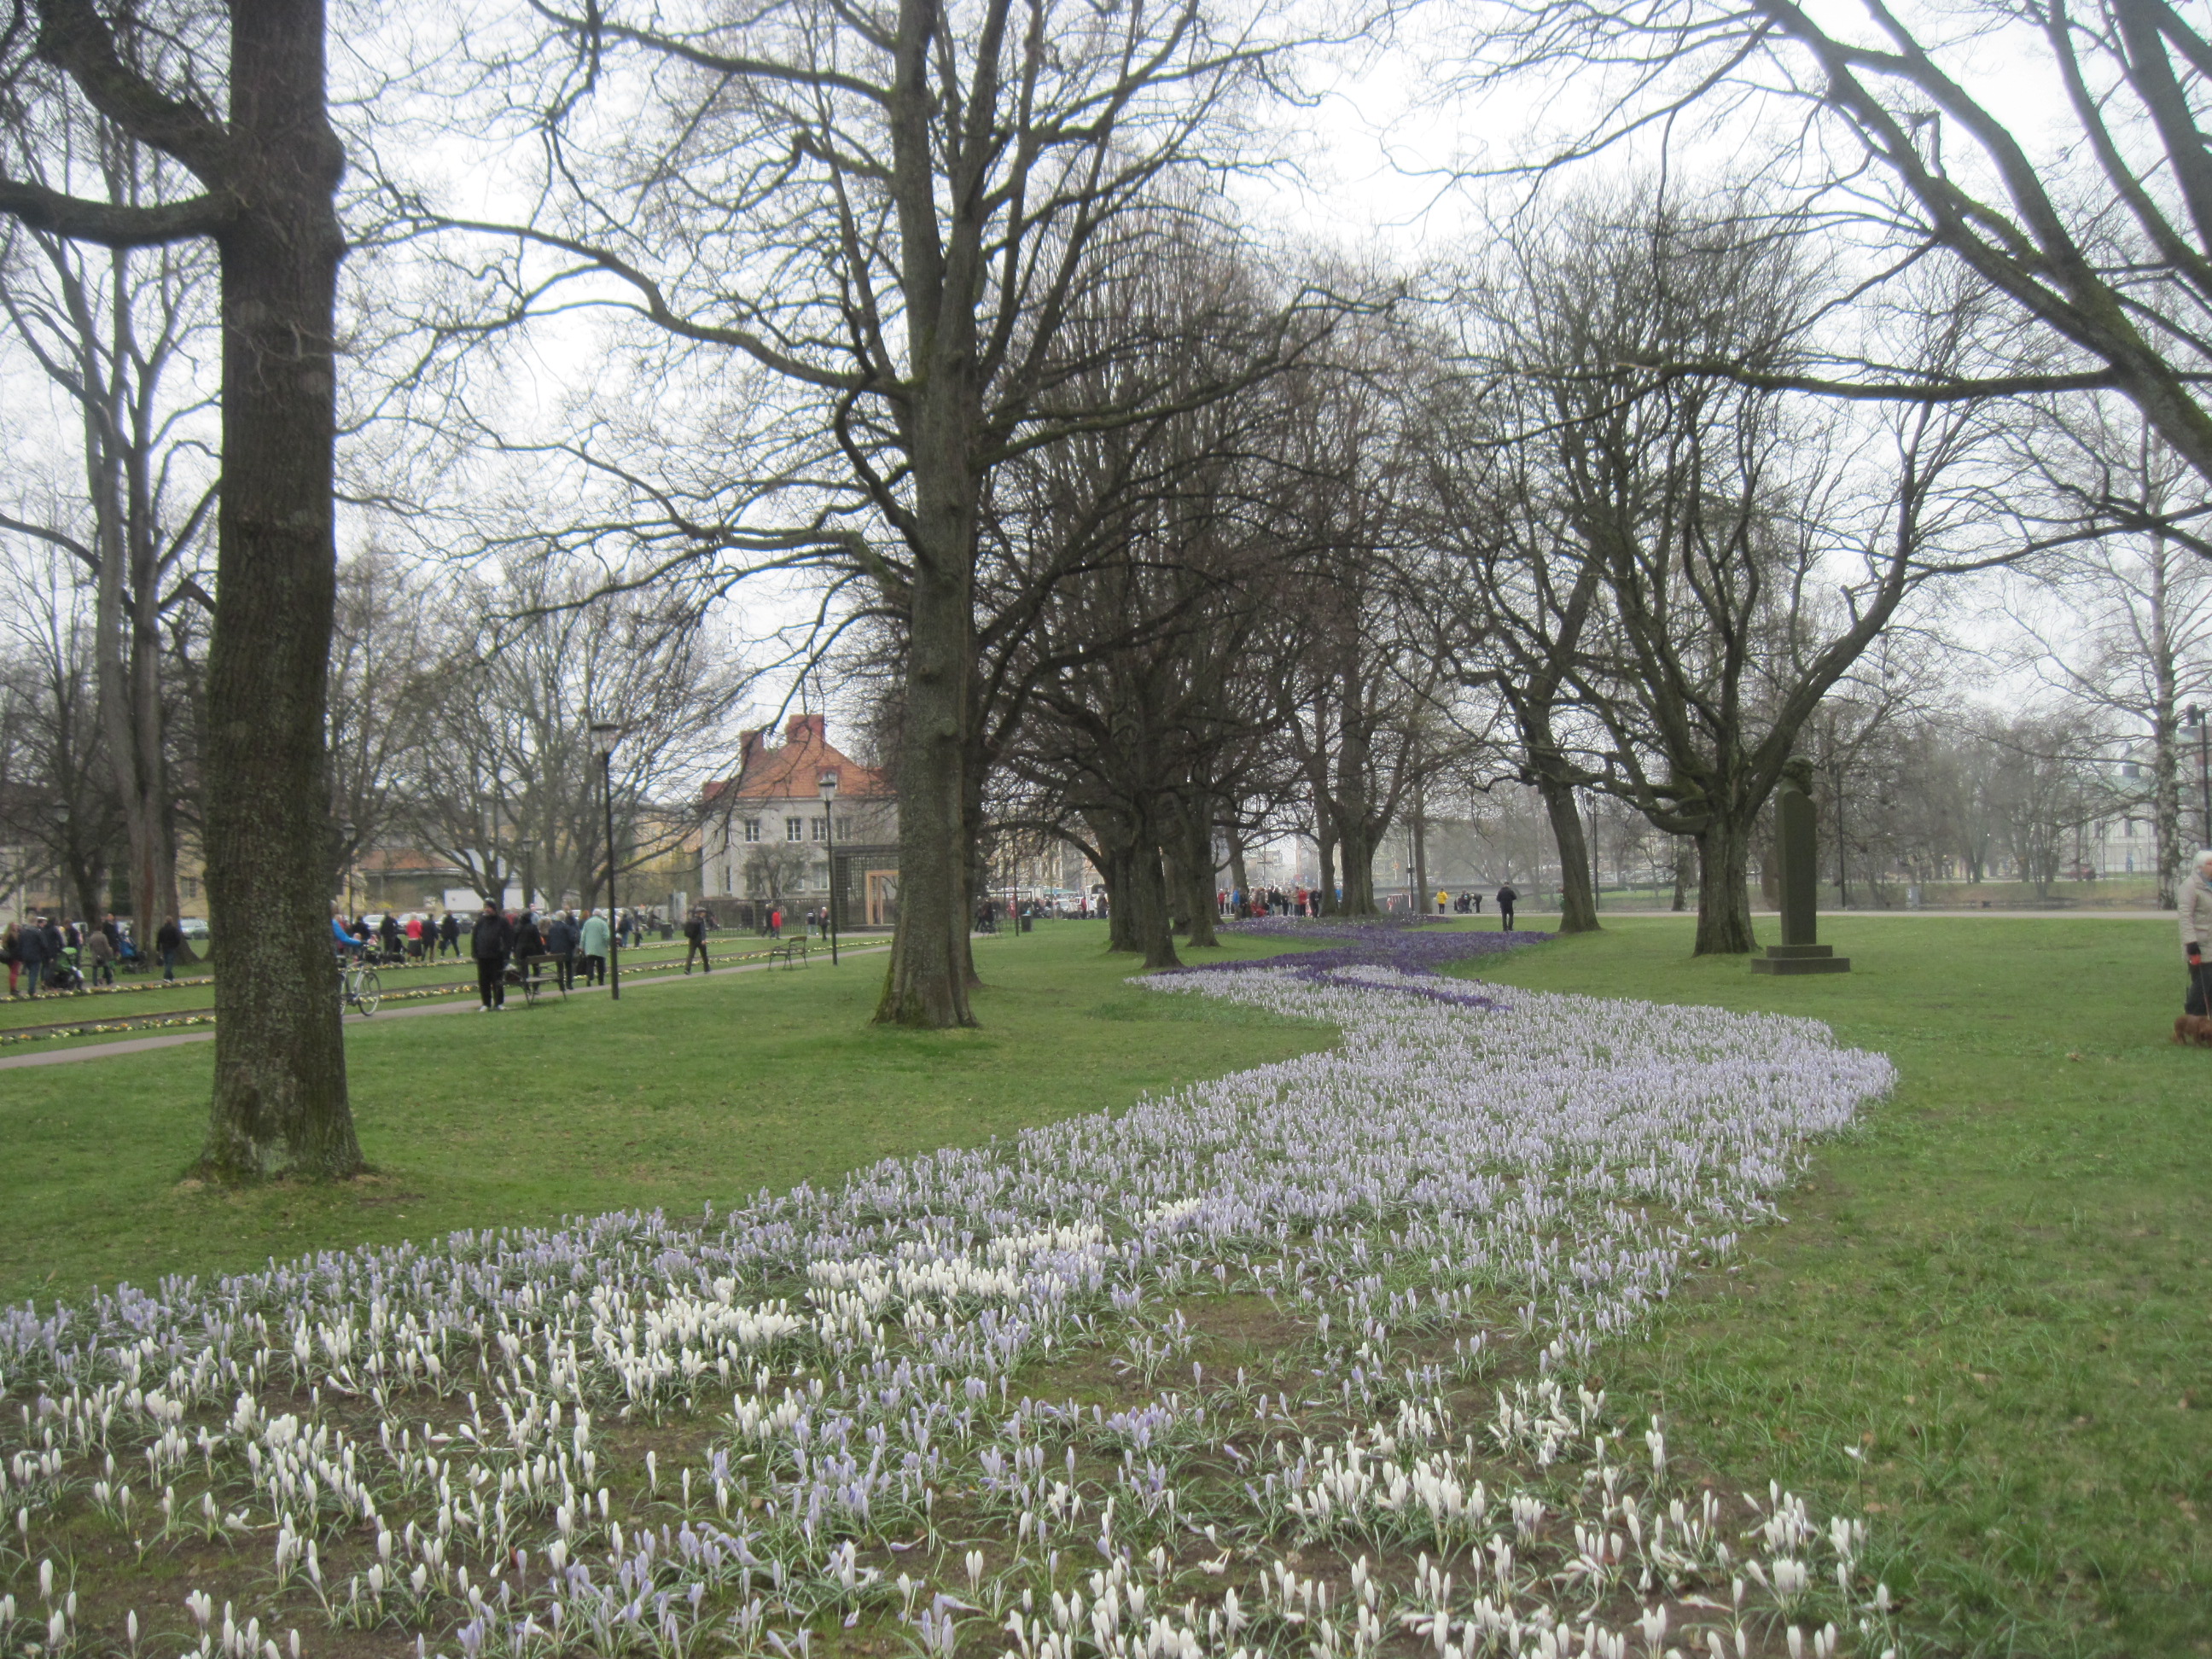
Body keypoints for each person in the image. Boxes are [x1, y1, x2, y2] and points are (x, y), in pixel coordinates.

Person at [2182, 851, 2212, 1016]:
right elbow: (2185, 917)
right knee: (2203, 984)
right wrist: (2191, 945)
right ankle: (2193, 1019)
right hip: (2199, 945)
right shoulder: (2190, 886)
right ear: (2200, 867)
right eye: (2210, 864)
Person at [470, 900, 513, 1010]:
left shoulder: (502, 921)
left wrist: (506, 954)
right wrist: (474, 952)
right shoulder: (480, 922)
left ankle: (499, 1003)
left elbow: (508, 938)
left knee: (497, 980)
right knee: (484, 981)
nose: (487, 909)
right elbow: (474, 937)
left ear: (494, 909)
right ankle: (486, 1003)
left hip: (497, 956)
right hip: (482, 956)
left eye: (489, 907)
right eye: (486, 907)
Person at [17, 915, 50, 998]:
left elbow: (20, 944)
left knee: (31, 973)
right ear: (35, 922)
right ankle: (32, 991)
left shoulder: (23, 932)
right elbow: (44, 945)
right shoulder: (38, 932)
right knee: (33, 973)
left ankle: (31, 989)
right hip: (35, 955)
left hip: (25, 955)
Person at [545, 908, 579, 991]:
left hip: (556, 950)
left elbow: (549, 940)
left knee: (559, 967)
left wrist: (549, 949)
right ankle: (569, 984)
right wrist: (573, 946)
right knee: (568, 967)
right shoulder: (567, 927)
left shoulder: (552, 928)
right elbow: (572, 939)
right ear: (564, 918)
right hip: (567, 950)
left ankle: (561, 985)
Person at [579, 907, 610, 986]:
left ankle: (589, 979)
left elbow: (583, 935)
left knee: (590, 964)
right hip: (601, 947)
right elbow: (606, 936)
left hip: (589, 948)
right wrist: (609, 944)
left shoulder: (587, 922)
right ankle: (601, 981)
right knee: (600, 965)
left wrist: (581, 946)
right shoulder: (603, 923)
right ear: (601, 915)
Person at [85, 923, 117, 987]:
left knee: (95, 969)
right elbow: (106, 946)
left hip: (95, 955)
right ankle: (109, 981)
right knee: (106, 967)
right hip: (103, 955)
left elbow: (90, 946)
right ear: (101, 929)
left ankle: (95, 982)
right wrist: (110, 954)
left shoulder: (92, 937)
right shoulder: (103, 936)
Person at [683, 906, 711, 974]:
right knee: (704, 955)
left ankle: (687, 969)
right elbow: (702, 931)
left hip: (692, 940)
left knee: (691, 955)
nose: (705, 914)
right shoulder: (701, 920)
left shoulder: (691, 920)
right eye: (704, 912)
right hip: (700, 940)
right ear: (700, 913)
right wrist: (703, 939)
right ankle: (706, 968)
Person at [156, 915, 183, 981]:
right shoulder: (174, 929)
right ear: (171, 922)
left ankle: (171, 977)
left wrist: (158, 949)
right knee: (170, 963)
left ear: (165, 921)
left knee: (167, 962)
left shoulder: (162, 930)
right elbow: (178, 938)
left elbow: (159, 940)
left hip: (164, 948)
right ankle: (166, 977)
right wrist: (176, 945)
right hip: (171, 947)